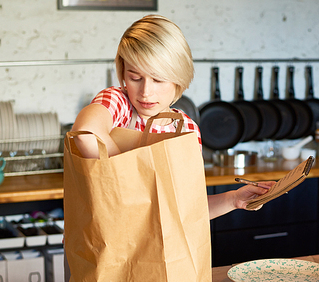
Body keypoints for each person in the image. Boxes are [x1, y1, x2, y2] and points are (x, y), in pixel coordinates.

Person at [71, 15, 273, 219]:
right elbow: (86, 134)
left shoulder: (186, 130)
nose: (145, 92)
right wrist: (137, 182)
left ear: (178, 78)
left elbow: (186, 208)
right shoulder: (118, 102)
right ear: (123, 73)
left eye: (158, 79)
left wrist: (233, 199)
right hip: (106, 246)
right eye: (135, 78)